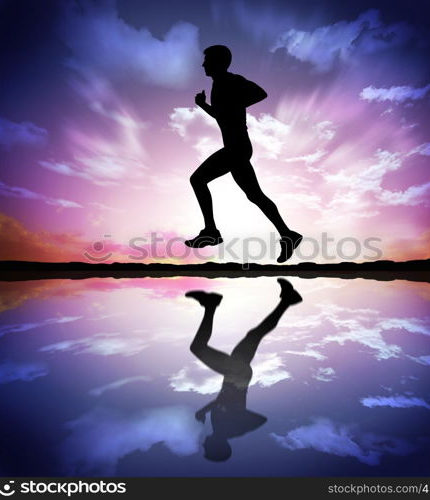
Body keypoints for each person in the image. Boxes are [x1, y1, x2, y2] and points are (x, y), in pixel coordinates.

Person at [185, 45, 303, 263]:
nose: (203, 64)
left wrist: (237, 103)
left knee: (197, 179)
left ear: (217, 62)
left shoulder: (230, 80)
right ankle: (288, 235)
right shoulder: (218, 84)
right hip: (237, 147)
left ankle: (211, 231)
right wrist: (203, 106)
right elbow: (222, 115)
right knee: (254, 195)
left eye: (207, 60)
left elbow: (261, 93)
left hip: (236, 148)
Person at [186, 278, 303, 461]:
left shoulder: (220, 428)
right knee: (198, 347)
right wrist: (239, 418)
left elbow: (220, 402)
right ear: (217, 447)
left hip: (236, 375)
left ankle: (287, 300)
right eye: (207, 449)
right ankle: (211, 305)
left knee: (254, 335)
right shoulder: (227, 430)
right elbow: (259, 420)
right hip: (235, 374)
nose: (203, 445)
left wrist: (204, 410)